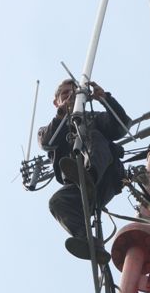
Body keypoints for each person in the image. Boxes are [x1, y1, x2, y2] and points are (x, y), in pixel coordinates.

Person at [38, 79, 131, 264]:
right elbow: (47, 141)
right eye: (65, 94)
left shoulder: (93, 119)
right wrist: (62, 114)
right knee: (57, 202)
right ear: (56, 102)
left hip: (106, 176)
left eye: (73, 92)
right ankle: (88, 240)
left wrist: (106, 99)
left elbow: (120, 126)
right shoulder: (50, 128)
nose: (70, 96)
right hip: (78, 185)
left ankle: (90, 176)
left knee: (90, 134)